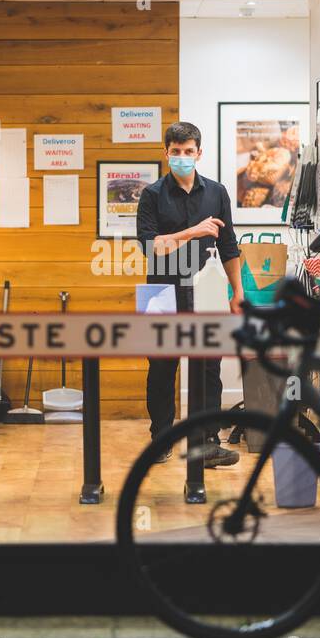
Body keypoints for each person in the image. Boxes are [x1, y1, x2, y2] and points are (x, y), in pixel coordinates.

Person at [135, 121, 242, 465]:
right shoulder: (152, 195)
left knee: (207, 366)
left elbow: (229, 246)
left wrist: (237, 291)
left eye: (189, 151)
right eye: (176, 152)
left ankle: (205, 441)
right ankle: (161, 439)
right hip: (160, 293)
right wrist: (194, 231)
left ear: (199, 153)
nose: (182, 157)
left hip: (208, 292)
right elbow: (152, 248)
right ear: (166, 152)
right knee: (162, 368)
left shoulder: (217, 193)